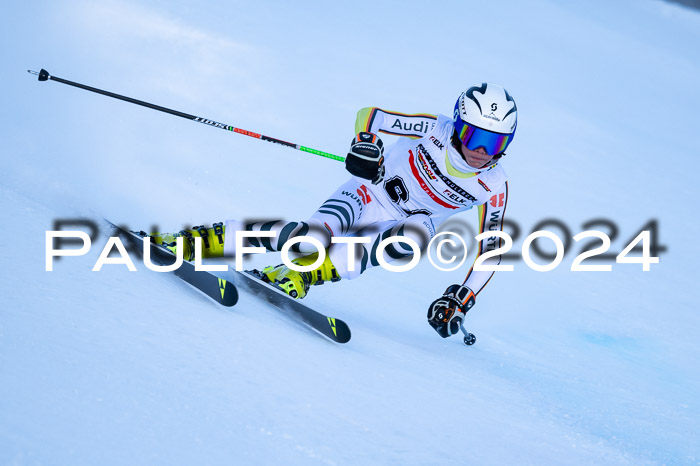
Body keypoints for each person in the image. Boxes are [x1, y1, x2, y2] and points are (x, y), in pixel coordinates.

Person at [154, 83, 517, 339]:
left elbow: (492, 250)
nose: (482, 152)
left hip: (402, 225)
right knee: (307, 240)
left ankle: (298, 277)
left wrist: (462, 298)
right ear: (457, 124)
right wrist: (366, 144)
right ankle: (195, 241)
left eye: (496, 143)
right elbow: (371, 114)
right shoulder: (432, 128)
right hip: (367, 191)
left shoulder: (493, 184)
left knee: (414, 237)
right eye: (475, 137)